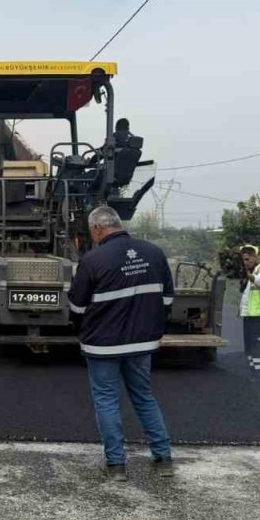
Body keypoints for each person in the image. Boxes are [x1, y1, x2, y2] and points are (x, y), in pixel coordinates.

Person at [67, 206, 175, 481]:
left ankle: (116, 466)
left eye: (92, 231)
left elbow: (77, 307)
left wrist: (83, 331)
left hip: (103, 345)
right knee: (144, 396)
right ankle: (163, 459)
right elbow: (167, 300)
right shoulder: (154, 253)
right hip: (142, 343)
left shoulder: (93, 260)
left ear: (98, 229)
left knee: (107, 401)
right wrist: (153, 328)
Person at [239, 245, 260, 372]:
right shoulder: (251, 272)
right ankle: (252, 369)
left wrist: (249, 276)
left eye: (247, 259)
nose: (245, 262)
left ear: (256, 258)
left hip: (259, 314)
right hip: (249, 314)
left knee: (258, 343)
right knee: (249, 344)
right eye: (243, 260)